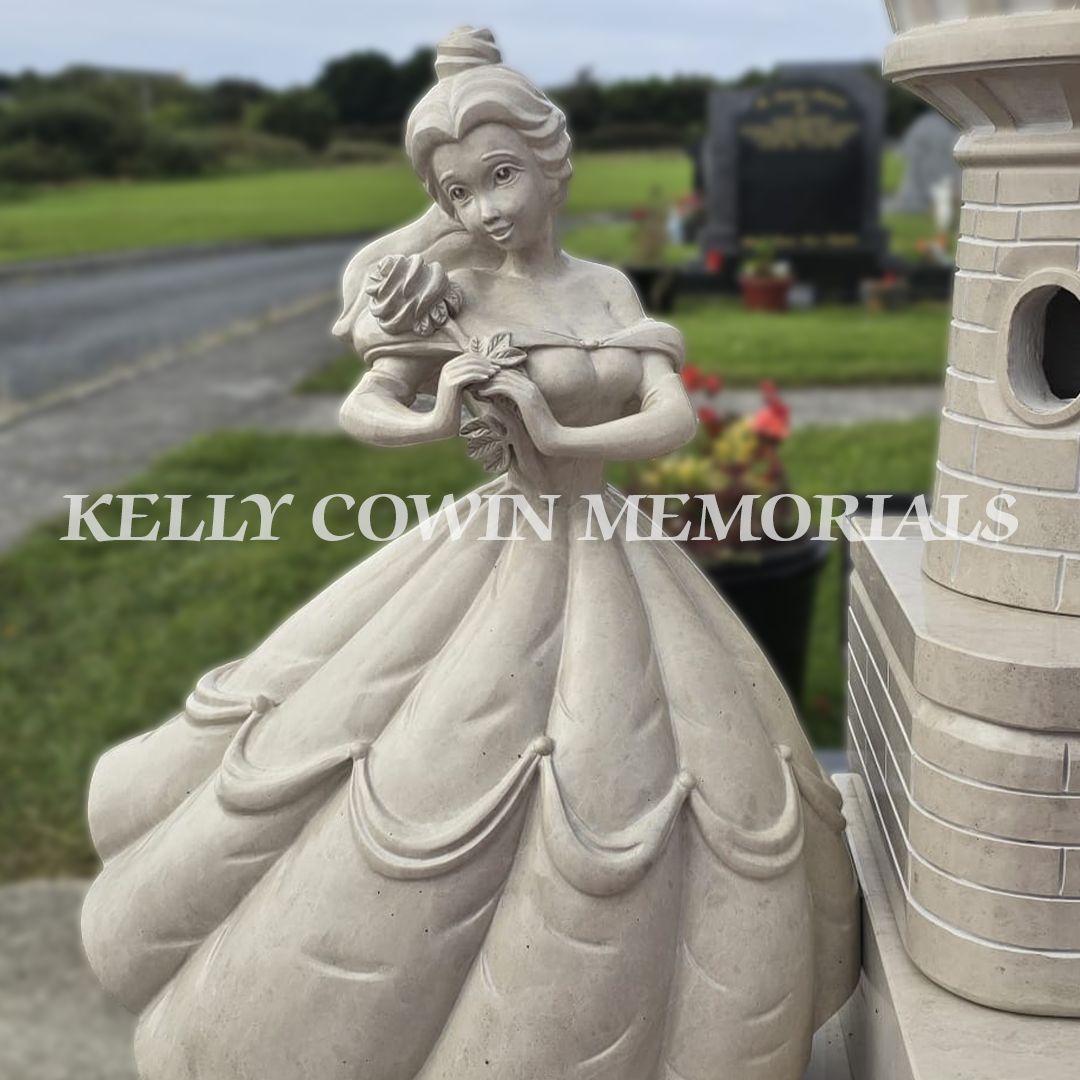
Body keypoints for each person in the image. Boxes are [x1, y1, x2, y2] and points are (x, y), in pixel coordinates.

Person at [81, 28, 858, 1080]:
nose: (487, 209)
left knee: (656, 765)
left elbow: (668, 416)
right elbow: (368, 404)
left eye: (502, 177)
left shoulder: (607, 294)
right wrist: (447, 401)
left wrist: (562, 434)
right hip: (497, 541)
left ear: (553, 163)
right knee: (426, 751)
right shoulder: (457, 295)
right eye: (458, 195)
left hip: (606, 539)